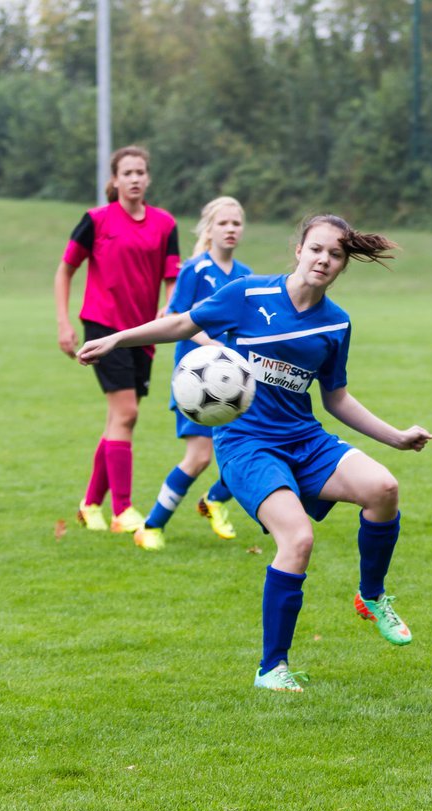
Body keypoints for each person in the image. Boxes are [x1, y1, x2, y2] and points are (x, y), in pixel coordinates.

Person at [77, 214, 432, 692]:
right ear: (299, 248)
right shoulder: (248, 294)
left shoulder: (337, 323)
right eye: (317, 249)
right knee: (298, 539)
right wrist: (120, 337)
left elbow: (336, 398)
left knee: (384, 489)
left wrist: (395, 436)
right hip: (246, 444)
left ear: (344, 265)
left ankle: (371, 596)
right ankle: (272, 668)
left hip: (304, 438)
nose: (324, 260)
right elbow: (184, 322)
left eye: (336, 255)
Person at [55, 145, 181, 534]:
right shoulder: (95, 220)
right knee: (127, 414)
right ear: (115, 179)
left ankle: (90, 504)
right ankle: (122, 511)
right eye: (127, 172)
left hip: (142, 334)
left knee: (117, 420)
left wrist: (168, 306)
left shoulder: (165, 224)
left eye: (140, 172)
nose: (135, 178)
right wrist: (64, 323)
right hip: (103, 328)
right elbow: (64, 270)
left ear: (148, 177)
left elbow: (172, 278)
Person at [134, 197, 253, 551]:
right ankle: (151, 527)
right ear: (209, 229)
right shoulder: (195, 270)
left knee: (252, 448)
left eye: (236, 223)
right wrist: (214, 347)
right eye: (224, 223)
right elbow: (178, 317)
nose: (231, 229)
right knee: (199, 458)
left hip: (235, 380)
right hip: (197, 381)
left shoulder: (246, 275)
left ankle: (214, 501)